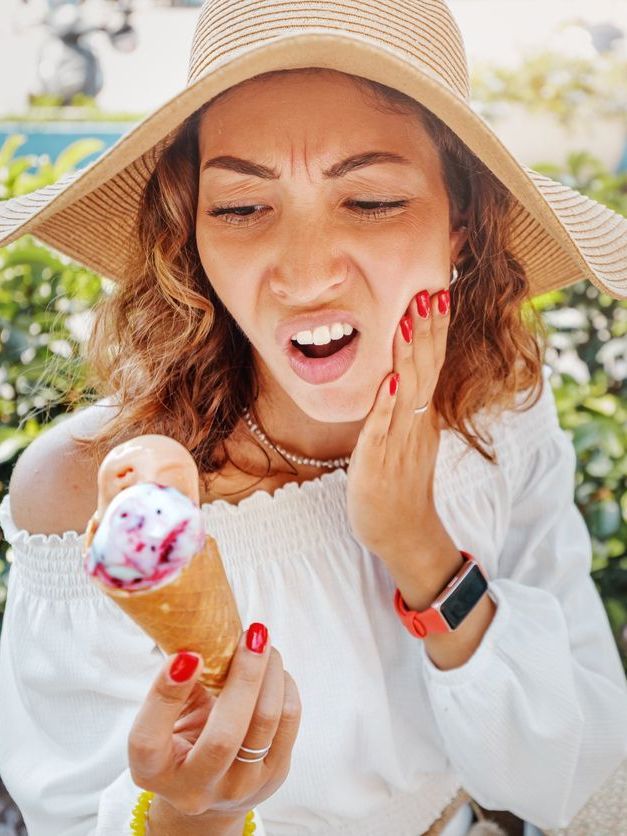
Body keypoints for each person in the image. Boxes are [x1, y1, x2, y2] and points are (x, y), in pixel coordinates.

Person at [1, 1, 626, 834]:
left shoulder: (498, 403)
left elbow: (573, 772)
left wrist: (421, 549)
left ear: (463, 228)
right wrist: (193, 812)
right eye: (239, 207)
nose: (301, 275)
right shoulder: (87, 494)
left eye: (368, 200)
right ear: (191, 235)